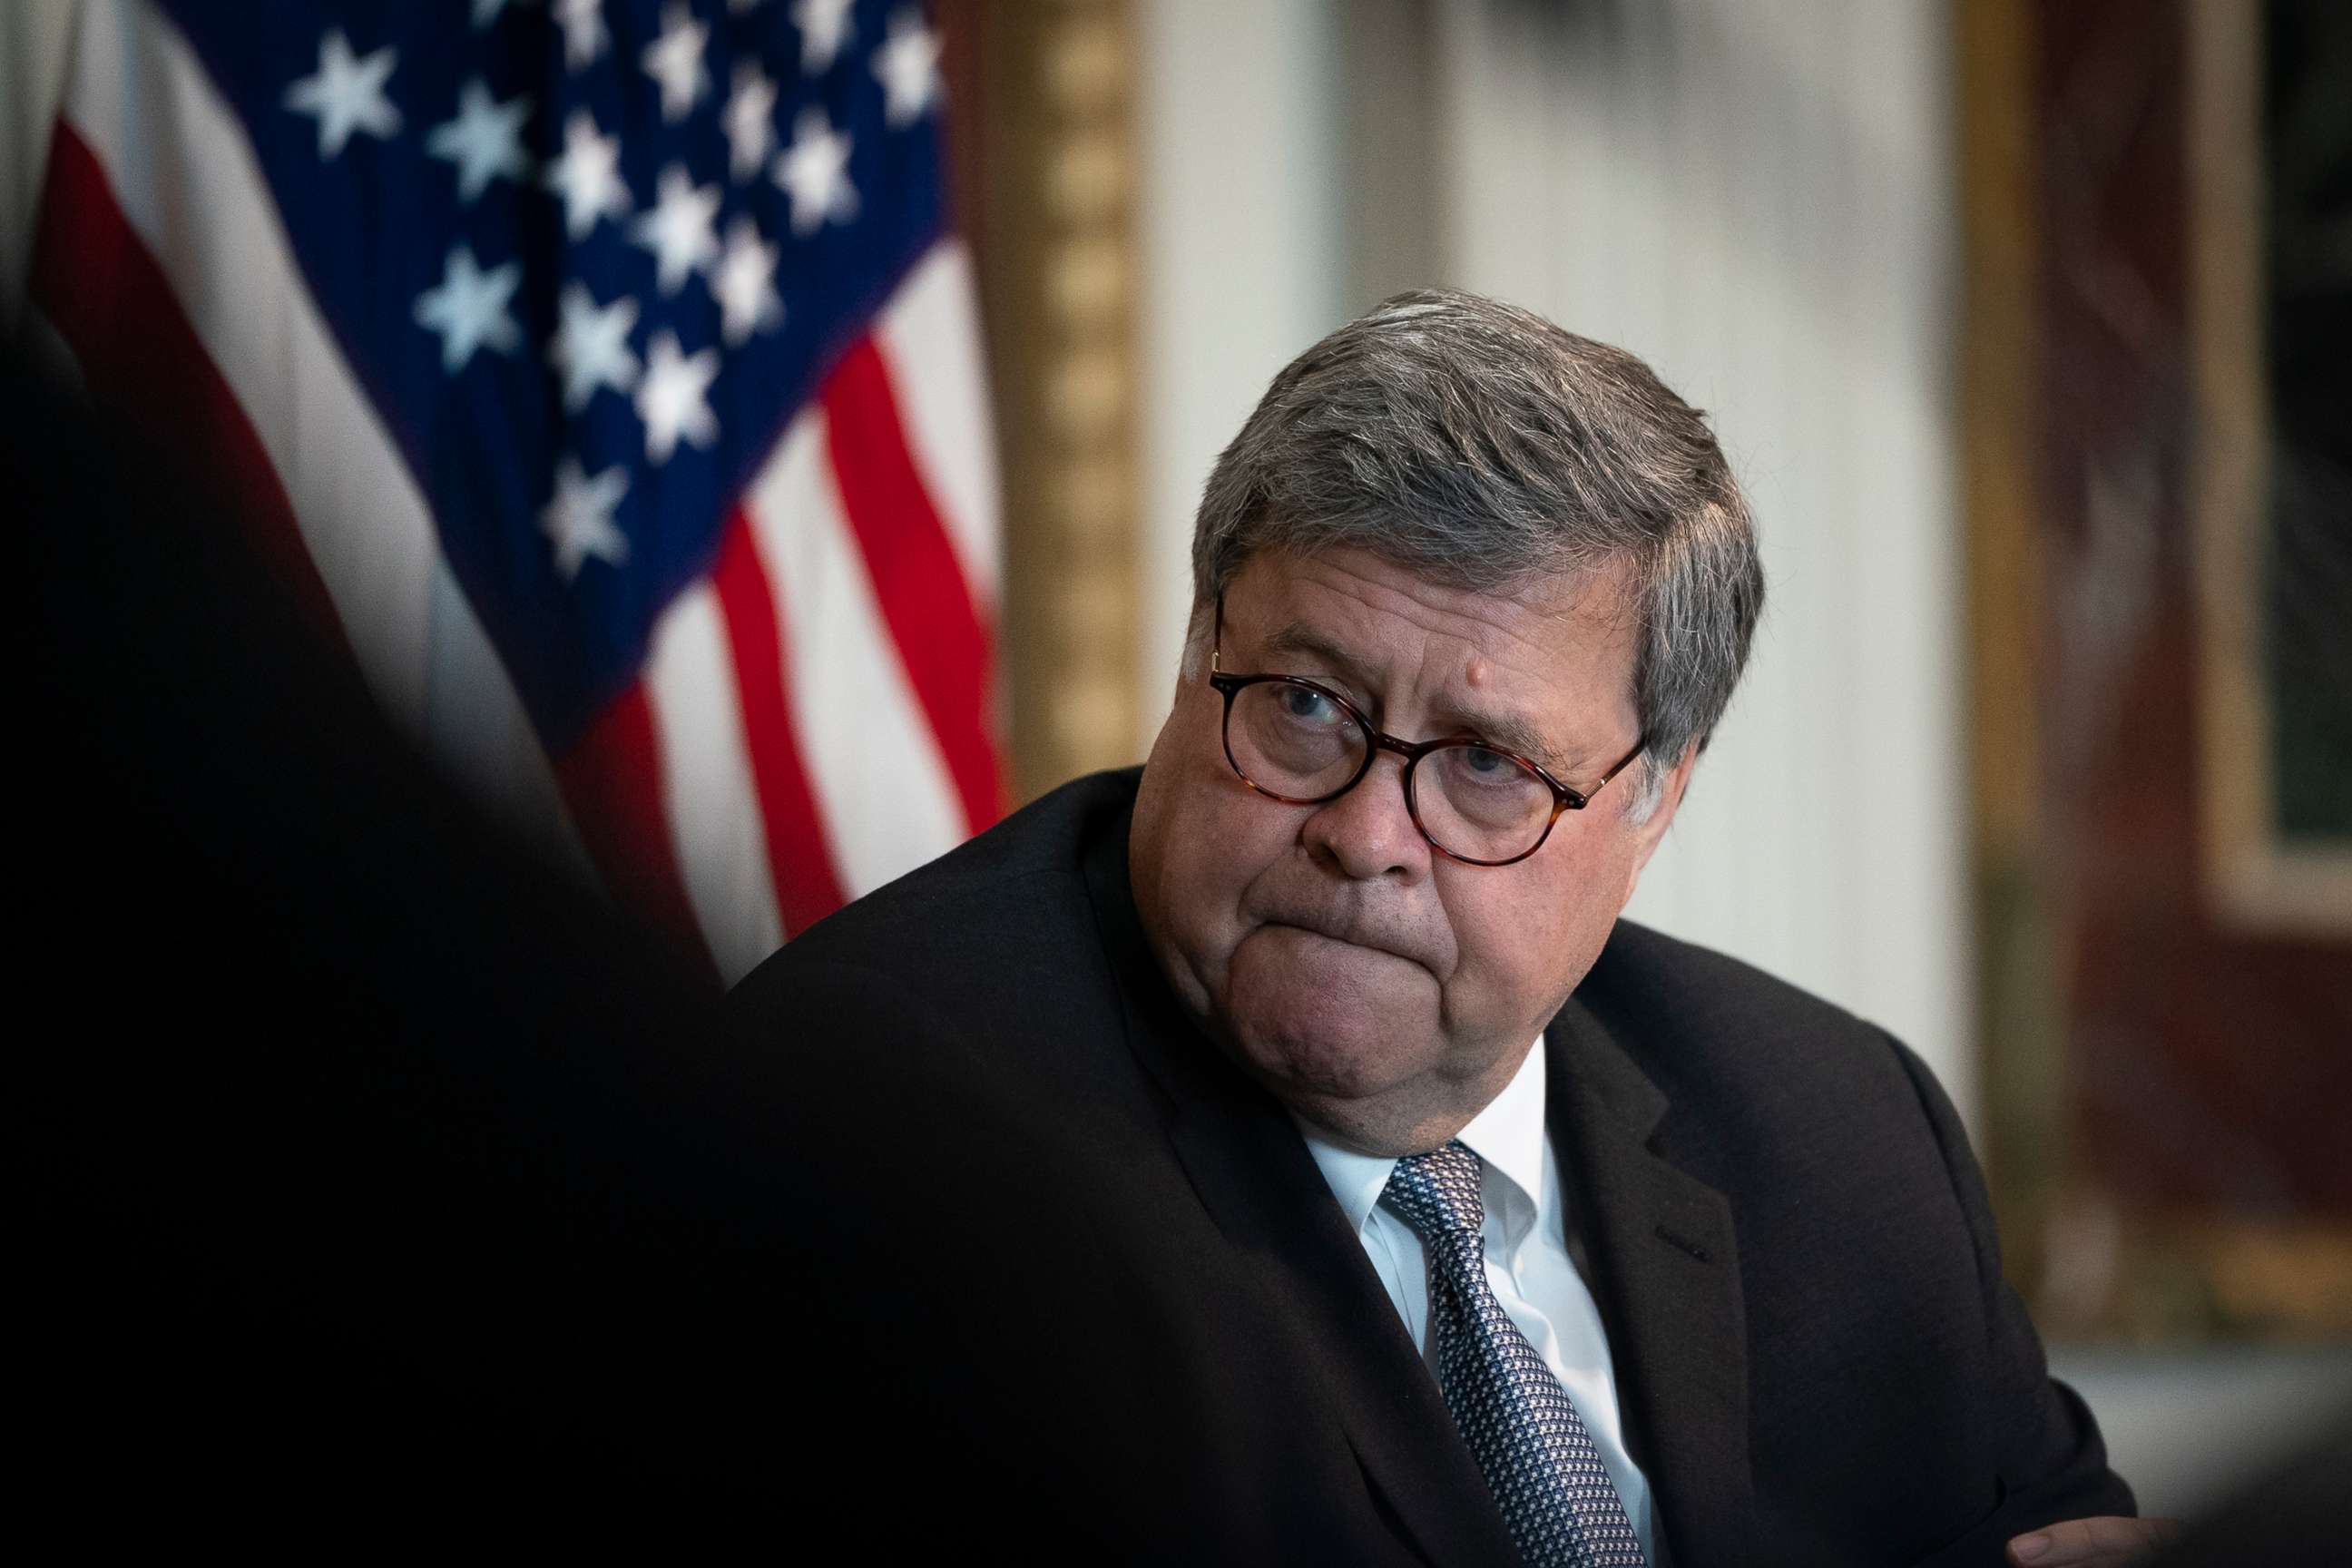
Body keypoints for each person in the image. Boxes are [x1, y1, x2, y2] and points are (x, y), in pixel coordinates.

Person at [723, 290, 2154, 1564]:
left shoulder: (1841, 1133)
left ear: (1652, 803)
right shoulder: (882, 1137)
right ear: (1195, 651)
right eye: (1303, 705)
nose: (1363, 832)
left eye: (1485, 763)